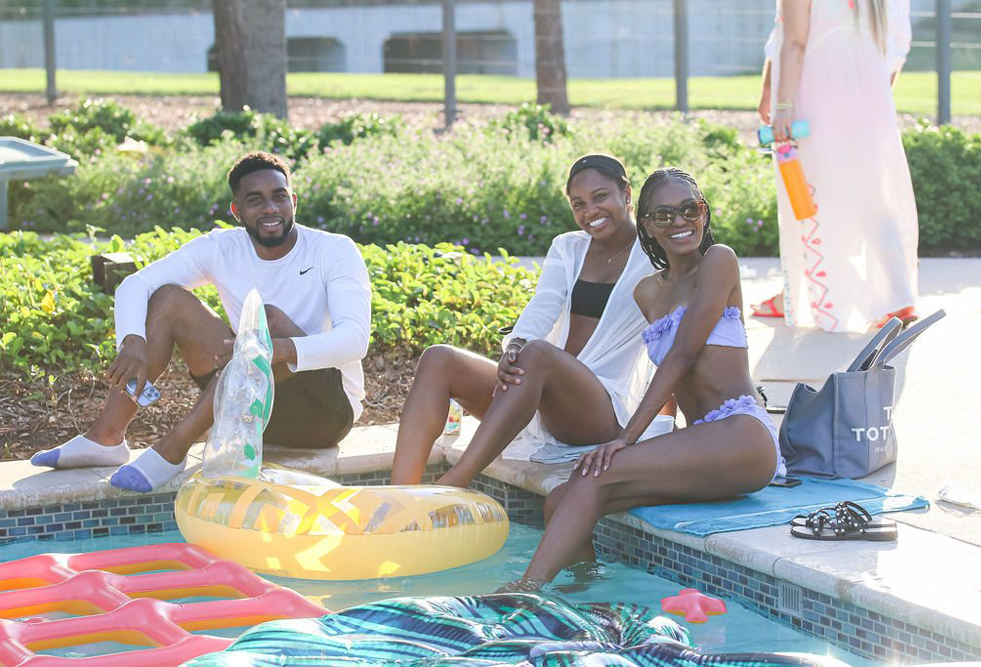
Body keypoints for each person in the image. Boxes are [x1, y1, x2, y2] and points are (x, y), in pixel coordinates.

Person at [505, 167, 786, 589]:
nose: (680, 222)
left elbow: (683, 355)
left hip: (743, 434)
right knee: (564, 497)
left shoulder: (718, 261)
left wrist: (624, 439)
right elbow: (666, 379)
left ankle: (522, 593)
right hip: (705, 444)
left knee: (592, 473)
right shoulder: (647, 292)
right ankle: (587, 601)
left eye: (690, 209)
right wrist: (652, 438)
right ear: (648, 226)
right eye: (665, 215)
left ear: (704, 213)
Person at [31, 151, 371, 491]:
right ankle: (106, 437)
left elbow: (355, 339)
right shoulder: (221, 248)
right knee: (168, 300)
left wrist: (276, 349)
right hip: (246, 406)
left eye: (279, 197)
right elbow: (135, 284)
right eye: (255, 200)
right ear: (237, 212)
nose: (270, 208)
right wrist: (132, 341)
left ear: (293, 201)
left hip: (323, 416)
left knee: (268, 321)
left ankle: (177, 444)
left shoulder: (334, 250)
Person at [390, 154, 654, 488]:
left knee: (538, 354)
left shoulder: (655, 255)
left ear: (627, 194)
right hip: (538, 395)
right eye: (578, 204)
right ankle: (399, 495)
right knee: (439, 358)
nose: (590, 212)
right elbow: (545, 303)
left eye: (600, 197)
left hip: (600, 408)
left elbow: (678, 337)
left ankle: (449, 487)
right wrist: (514, 346)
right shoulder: (568, 247)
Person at [752, 0, 919, 332]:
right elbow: (896, 42)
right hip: (869, 91)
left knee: (812, 197)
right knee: (873, 195)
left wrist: (782, 105)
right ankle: (898, 294)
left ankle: (823, 298)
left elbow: (794, 42)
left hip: (818, 91)